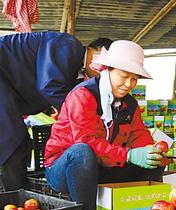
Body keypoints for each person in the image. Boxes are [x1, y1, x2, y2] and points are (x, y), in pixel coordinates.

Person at [44, 40, 164, 210]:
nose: (129, 84)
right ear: (107, 70)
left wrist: (150, 151)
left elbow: (138, 134)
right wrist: (129, 155)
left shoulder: (130, 104)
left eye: (134, 79)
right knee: (83, 152)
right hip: (64, 169)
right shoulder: (83, 95)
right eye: (124, 76)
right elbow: (87, 141)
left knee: (154, 162)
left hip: (100, 166)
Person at [0, 32, 113, 191]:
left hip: (9, 87)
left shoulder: (76, 74)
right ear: (96, 52)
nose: (103, 74)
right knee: (12, 140)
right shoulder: (68, 45)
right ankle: (13, 200)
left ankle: (18, 196)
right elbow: (49, 86)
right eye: (106, 68)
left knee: (20, 141)